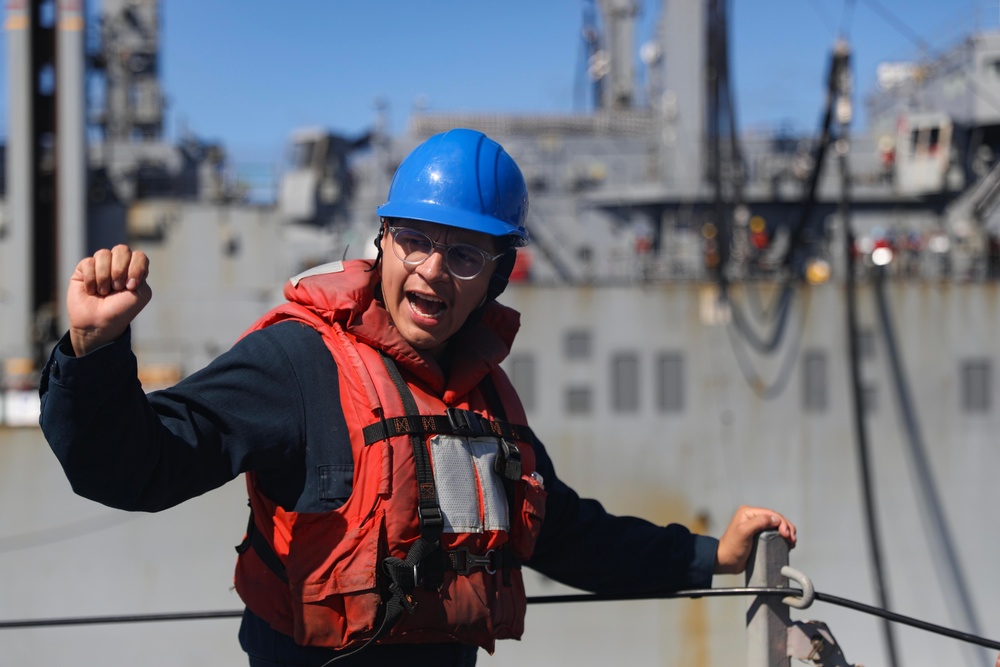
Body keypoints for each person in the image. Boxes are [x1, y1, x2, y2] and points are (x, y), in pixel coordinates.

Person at [40, 128, 796, 666]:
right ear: (384, 243)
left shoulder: (486, 402)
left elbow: (565, 532)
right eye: (415, 240)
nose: (434, 271)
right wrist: (95, 351)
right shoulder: (300, 360)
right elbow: (133, 468)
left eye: (464, 253)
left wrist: (708, 556)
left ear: (495, 278)